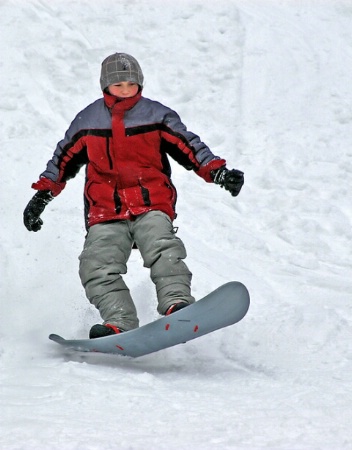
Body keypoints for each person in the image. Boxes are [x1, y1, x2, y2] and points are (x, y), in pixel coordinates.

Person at [23, 53, 244, 339]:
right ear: (105, 86)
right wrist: (40, 199)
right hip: (105, 210)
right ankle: (119, 321)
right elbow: (61, 162)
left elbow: (191, 147)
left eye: (131, 83)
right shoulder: (88, 121)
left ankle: (177, 303)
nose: (126, 90)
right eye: (118, 85)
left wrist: (219, 173)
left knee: (163, 247)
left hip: (151, 203)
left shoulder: (156, 116)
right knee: (95, 265)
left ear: (139, 83)